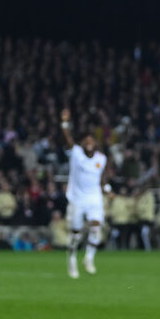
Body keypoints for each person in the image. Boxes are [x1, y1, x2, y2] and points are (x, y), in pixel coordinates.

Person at [61, 108, 108, 278]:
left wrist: (107, 189)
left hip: (94, 198)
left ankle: (88, 258)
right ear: (83, 143)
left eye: (91, 140)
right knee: (76, 233)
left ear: (95, 143)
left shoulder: (101, 159)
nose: (89, 142)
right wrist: (65, 122)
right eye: (86, 140)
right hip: (77, 199)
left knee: (96, 228)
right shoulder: (76, 153)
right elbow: (67, 138)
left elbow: (102, 177)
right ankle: (72, 258)